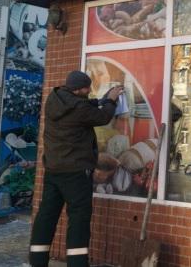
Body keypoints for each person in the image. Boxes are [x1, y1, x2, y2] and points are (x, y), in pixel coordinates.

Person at [29, 70, 123, 267]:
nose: (89, 91)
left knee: (46, 215)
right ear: (78, 89)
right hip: (76, 173)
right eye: (87, 88)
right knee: (79, 219)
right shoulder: (79, 108)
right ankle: (77, 263)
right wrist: (111, 101)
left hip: (53, 170)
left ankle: (37, 261)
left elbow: (81, 105)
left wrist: (100, 99)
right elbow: (102, 117)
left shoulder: (54, 99)